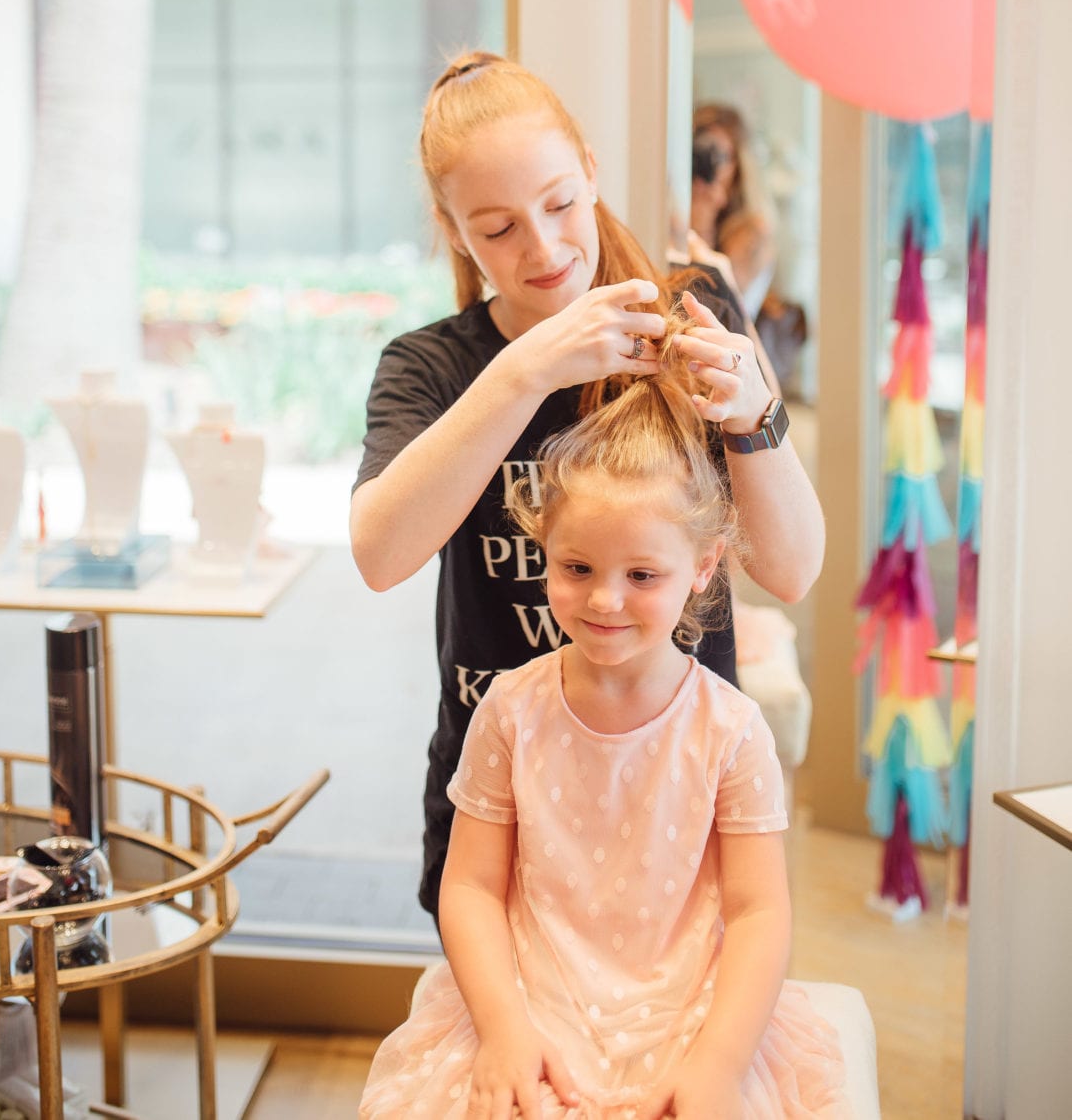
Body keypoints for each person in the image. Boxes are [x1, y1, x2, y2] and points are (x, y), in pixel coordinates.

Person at [350, 51, 824, 920]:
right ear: (454, 231)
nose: (543, 247)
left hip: (680, 787)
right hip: (504, 811)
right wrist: (524, 370)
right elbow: (380, 554)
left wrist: (756, 411)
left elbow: (792, 569)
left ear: (591, 171)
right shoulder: (433, 367)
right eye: (496, 229)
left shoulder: (694, 309)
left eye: (562, 203)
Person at [358, 333, 844, 1119]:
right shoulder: (510, 712)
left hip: (692, 1008)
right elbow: (473, 887)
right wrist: (507, 1029)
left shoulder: (731, 730)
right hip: (531, 999)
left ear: (705, 567)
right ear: (543, 548)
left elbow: (759, 911)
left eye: (642, 575)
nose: (604, 601)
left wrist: (718, 1064)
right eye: (576, 568)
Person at [689, 104, 776, 319]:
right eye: (702, 151)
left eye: (719, 155)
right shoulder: (673, 209)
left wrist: (701, 227)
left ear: (738, 165)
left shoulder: (753, 232)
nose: (709, 163)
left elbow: (720, 305)